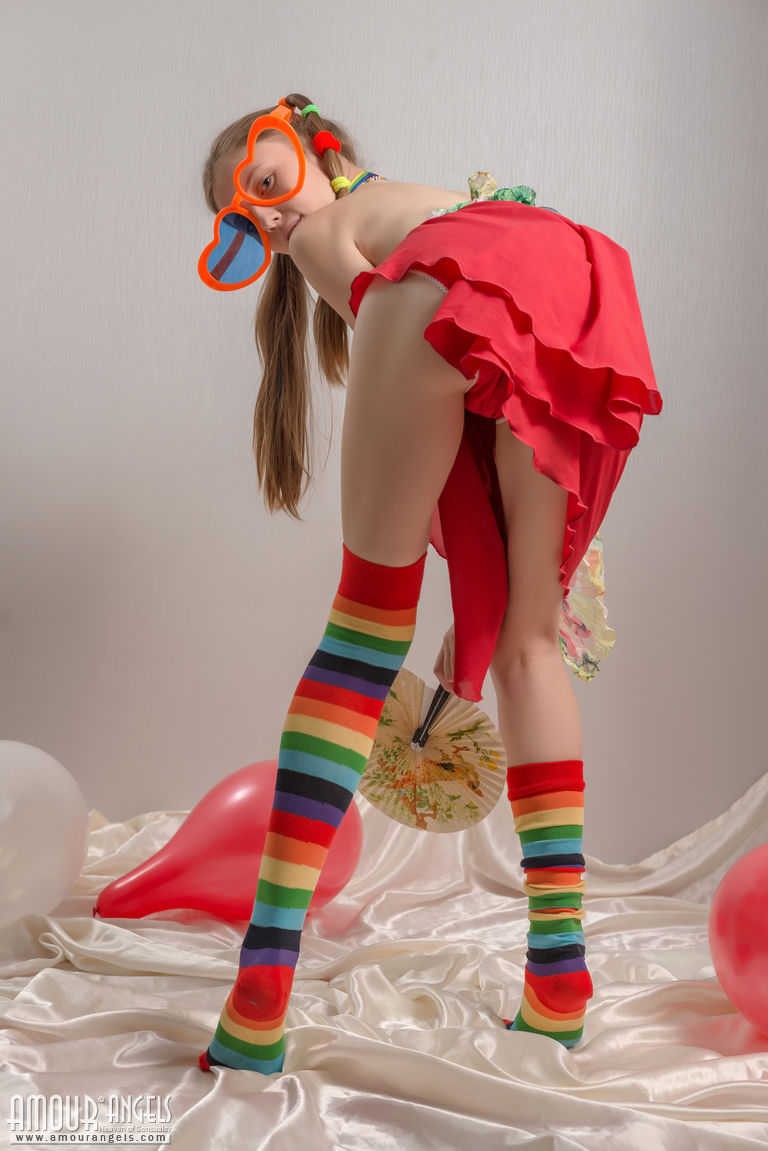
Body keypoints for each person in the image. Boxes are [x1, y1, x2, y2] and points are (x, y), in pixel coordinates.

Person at [196, 93, 663, 1074]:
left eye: (266, 180)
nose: (268, 216)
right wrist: (481, 605)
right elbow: (464, 408)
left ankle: (263, 979)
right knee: (531, 643)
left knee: (363, 634)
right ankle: (559, 973)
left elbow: (403, 324)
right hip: (567, 281)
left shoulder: (330, 230)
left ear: (318, 146)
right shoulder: (430, 202)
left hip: (450, 287)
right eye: (243, 228)